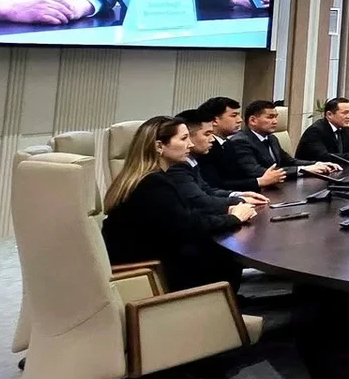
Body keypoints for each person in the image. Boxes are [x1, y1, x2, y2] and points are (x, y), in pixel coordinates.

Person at [101, 116, 257, 291]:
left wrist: (227, 212)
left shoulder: (144, 178)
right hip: (153, 271)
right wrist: (234, 218)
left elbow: (183, 216)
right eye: (184, 138)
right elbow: (188, 226)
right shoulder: (153, 183)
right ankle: (223, 305)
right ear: (159, 146)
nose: (190, 144)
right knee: (226, 253)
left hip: (150, 261)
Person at [172, 110, 269, 219]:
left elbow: (207, 190)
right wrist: (239, 203)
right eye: (207, 134)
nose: (212, 139)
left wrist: (238, 195)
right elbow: (200, 201)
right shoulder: (177, 167)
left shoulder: (192, 160)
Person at [223, 99, 339, 181]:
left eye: (276, 117)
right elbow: (257, 171)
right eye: (270, 117)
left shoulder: (272, 138)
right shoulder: (241, 141)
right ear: (253, 120)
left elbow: (289, 161)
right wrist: (303, 169)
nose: (275, 121)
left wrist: (317, 164)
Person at [195, 95, 286, 191]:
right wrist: (259, 182)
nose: (240, 120)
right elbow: (214, 185)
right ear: (214, 121)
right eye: (234, 115)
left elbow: (239, 176)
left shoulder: (227, 144)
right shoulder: (206, 148)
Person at [295, 97, 349, 164]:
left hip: (339, 168)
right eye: (345, 113)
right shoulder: (315, 131)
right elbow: (324, 157)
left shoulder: (344, 129)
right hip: (314, 169)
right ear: (329, 115)